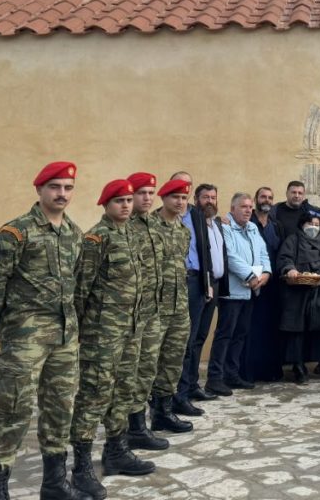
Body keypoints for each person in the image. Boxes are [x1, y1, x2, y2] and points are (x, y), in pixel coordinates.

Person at [0, 161, 83, 500]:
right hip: (25, 336)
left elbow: (77, 285)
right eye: (55, 187)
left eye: (68, 188)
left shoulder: (74, 233)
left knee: (60, 408)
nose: (62, 194)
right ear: (39, 189)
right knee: (15, 408)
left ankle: (54, 483)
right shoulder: (16, 233)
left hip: (64, 336)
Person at [69, 179, 153, 499]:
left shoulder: (133, 234)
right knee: (94, 395)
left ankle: (116, 452)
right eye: (119, 201)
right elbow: (81, 288)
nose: (126, 205)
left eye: (129, 200)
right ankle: (81, 465)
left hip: (130, 330)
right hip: (101, 332)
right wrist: (81, 329)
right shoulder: (96, 238)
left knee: (123, 390)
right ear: (106, 205)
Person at [123, 172, 171, 452]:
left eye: (151, 193)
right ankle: (125, 430)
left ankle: (139, 426)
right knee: (127, 374)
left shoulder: (155, 225)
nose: (147, 198)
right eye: (141, 193)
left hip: (154, 311)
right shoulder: (124, 227)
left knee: (146, 370)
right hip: (129, 315)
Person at [207, 192, 272, 394]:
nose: (248, 210)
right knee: (225, 335)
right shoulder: (225, 227)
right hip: (232, 292)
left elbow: (263, 252)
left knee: (240, 335)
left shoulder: (253, 228)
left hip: (251, 292)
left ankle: (232, 375)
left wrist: (267, 273)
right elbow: (230, 256)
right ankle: (214, 378)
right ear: (233, 208)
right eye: (243, 207)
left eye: (250, 207)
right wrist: (250, 276)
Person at [148, 177, 195, 434]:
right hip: (154, 307)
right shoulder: (149, 227)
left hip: (178, 306)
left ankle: (163, 412)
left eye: (184, 198)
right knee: (148, 363)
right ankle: (137, 420)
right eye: (175, 197)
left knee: (172, 360)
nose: (180, 202)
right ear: (164, 198)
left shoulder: (183, 231)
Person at [277, 210, 320, 383]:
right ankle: (299, 367)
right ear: (302, 225)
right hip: (297, 293)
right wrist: (290, 269)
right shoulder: (293, 240)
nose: (313, 227)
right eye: (309, 224)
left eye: (316, 225)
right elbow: (284, 259)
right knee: (297, 331)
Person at [175, 183, 218, 415]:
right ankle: (178, 394)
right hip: (183, 282)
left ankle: (191, 386)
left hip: (200, 281)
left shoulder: (198, 217)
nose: (209, 201)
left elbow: (205, 251)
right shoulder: (168, 219)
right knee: (185, 341)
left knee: (197, 338)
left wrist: (208, 282)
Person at [243, 186, 286, 383]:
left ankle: (270, 370)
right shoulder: (246, 221)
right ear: (256, 199)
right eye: (263, 197)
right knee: (251, 327)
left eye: (270, 197)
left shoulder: (276, 225)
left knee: (270, 327)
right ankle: (249, 372)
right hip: (250, 281)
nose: (266, 200)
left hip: (273, 283)